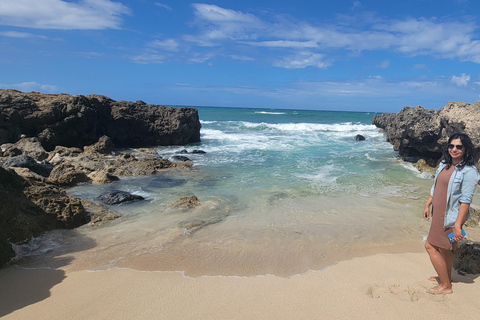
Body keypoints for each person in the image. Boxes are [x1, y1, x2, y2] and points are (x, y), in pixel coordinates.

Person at [423, 132, 479, 294]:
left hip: (449, 217)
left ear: (466, 149)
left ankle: (446, 286)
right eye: (451, 146)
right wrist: (428, 204)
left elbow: (466, 200)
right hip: (437, 213)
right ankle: (445, 276)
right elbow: (436, 188)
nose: (454, 149)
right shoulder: (444, 165)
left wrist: (457, 224)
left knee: (430, 246)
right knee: (445, 248)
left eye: (459, 147)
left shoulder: (469, 171)